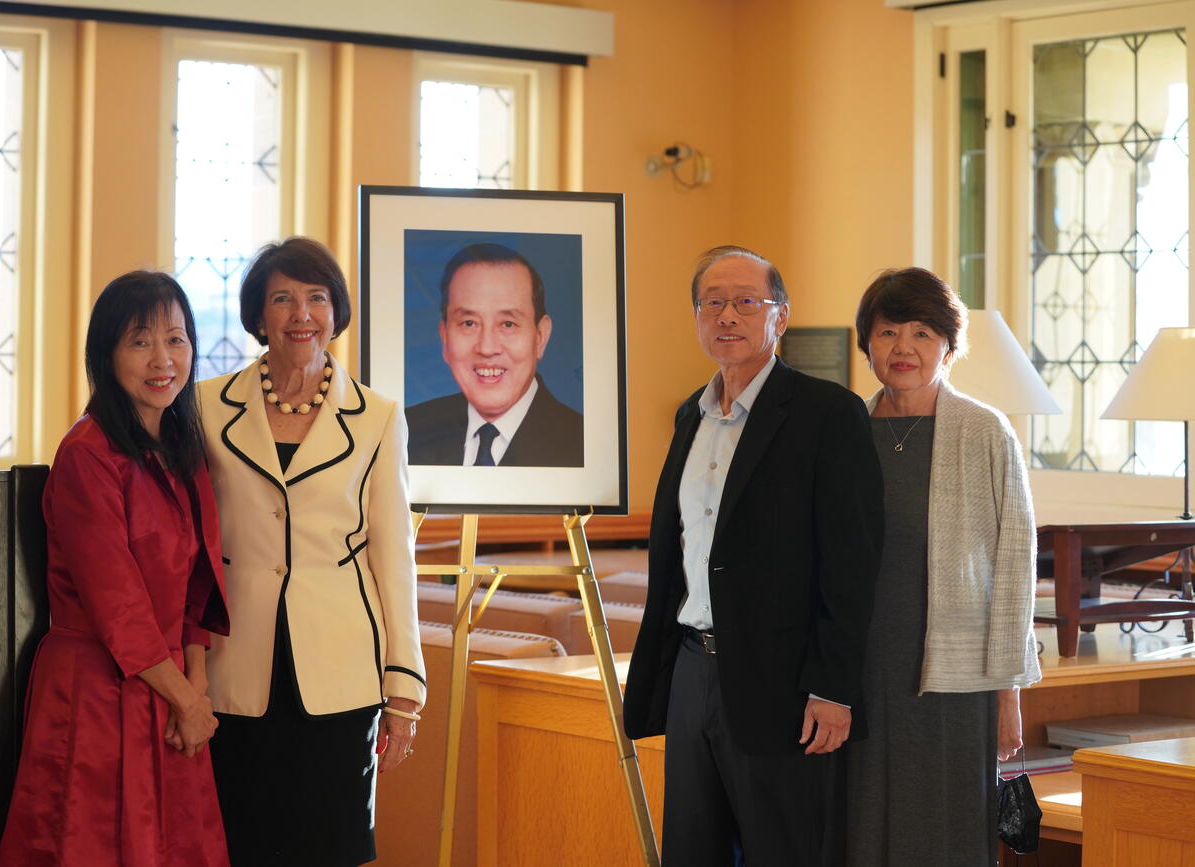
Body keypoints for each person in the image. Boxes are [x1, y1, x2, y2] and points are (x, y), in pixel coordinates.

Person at [623, 245, 885, 865]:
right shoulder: (691, 414)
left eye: (746, 302)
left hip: (787, 685)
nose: (727, 316)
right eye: (712, 302)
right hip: (692, 670)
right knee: (692, 850)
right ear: (696, 317)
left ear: (781, 317)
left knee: (785, 851)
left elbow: (852, 563)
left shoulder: (827, 414)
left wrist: (833, 686)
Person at [197, 237, 425, 866]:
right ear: (258, 316)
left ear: (335, 310)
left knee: (332, 843)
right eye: (283, 299)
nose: (302, 313)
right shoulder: (206, 407)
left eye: (316, 297)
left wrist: (404, 684)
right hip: (234, 659)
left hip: (342, 668)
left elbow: (392, 552)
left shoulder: (378, 415)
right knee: (239, 842)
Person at [0, 272, 230, 866]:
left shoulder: (182, 450)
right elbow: (116, 603)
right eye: (140, 341)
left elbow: (196, 582)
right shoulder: (86, 454)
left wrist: (195, 686)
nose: (163, 359)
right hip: (95, 690)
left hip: (173, 690)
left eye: (176, 340)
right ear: (105, 354)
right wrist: (186, 700)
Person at [845, 267, 1040, 865]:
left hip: (957, 675)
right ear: (867, 344)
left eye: (923, 333)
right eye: (887, 332)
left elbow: (1015, 563)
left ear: (949, 347)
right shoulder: (843, 430)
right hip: (856, 667)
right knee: (859, 822)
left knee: (947, 830)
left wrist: (1008, 692)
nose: (904, 347)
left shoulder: (984, 431)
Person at [405, 242, 583, 466]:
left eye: (508, 324)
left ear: (540, 336)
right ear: (444, 337)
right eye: (469, 323)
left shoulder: (583, 444)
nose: (487, 348)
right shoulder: (407, 433)